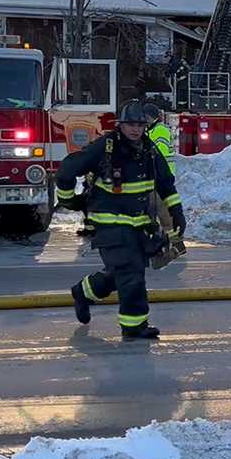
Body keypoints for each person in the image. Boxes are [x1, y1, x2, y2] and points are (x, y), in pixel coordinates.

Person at [58, 99, 185, 341]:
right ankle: (134, 325)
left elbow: (166, 183)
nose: (135, 129)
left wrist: (177, 212)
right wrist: (69, 200)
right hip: (109, 225)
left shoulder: (148, 149)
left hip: (139, 225)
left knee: (122, 273)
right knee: (131, 272)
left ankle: (83, 292)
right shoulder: (105, 147)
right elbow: (67, 169)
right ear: (120, 125)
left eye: (139, 125)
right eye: (130, 124)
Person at [144, 102, 186, 261]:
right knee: (155, 213)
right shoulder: (153, 130)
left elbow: (157, 156)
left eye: (145, 117)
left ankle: (176, 245)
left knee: (163, 214)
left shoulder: (159, 130)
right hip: (157, 178)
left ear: (151, 117)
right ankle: (164, 245)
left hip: (160, 179)